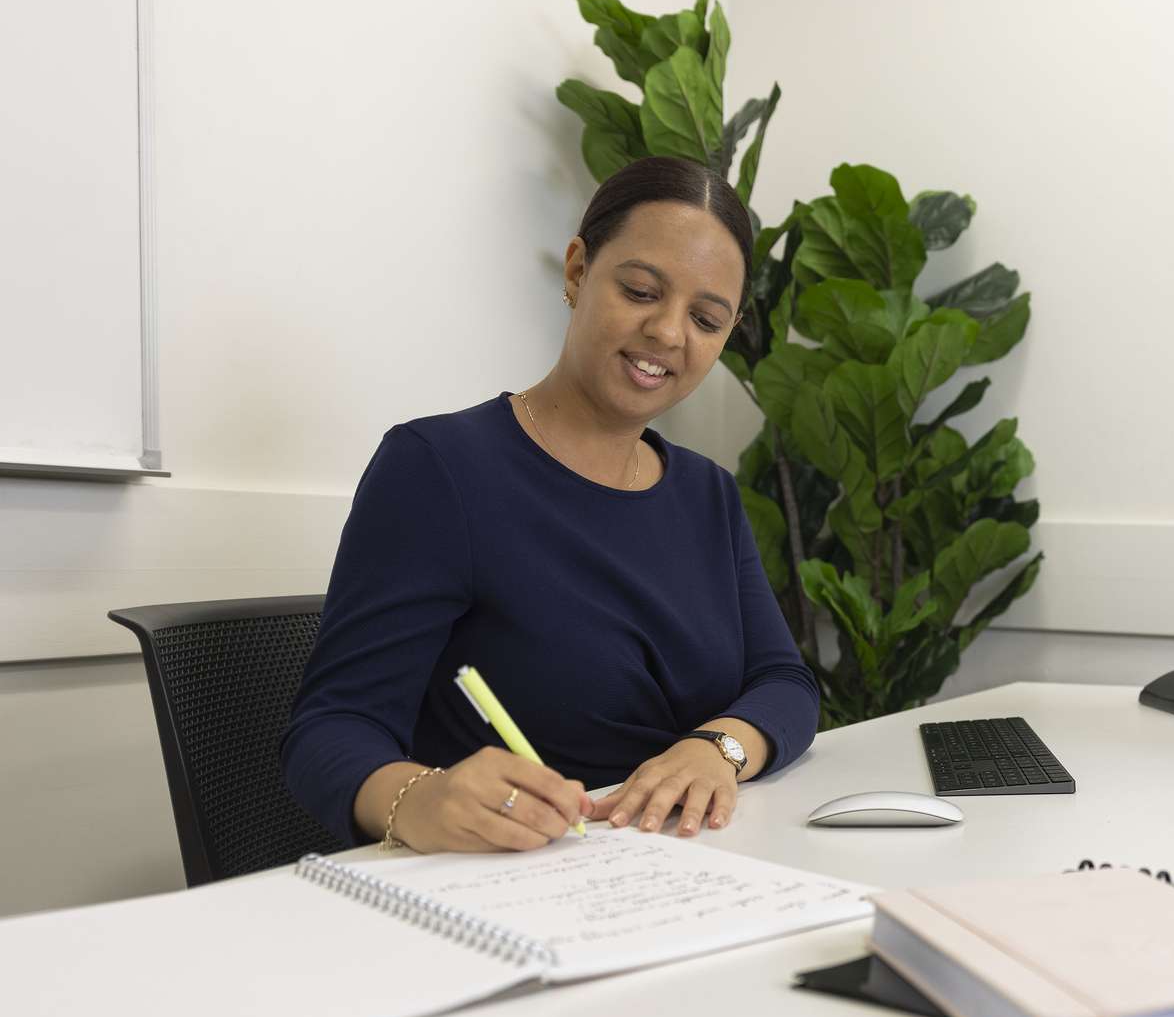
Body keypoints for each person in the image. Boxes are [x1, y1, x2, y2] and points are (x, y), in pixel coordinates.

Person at [281, 156, 818, 853]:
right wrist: (419, 797)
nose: (668, 333)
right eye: (641, 290)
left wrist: (716, 749)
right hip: (517, 877)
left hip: (691, 874)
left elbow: (785, 683)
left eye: (707, 319)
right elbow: (330, 728)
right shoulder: (439, 469)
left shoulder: (706, 493)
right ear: (576, 271)